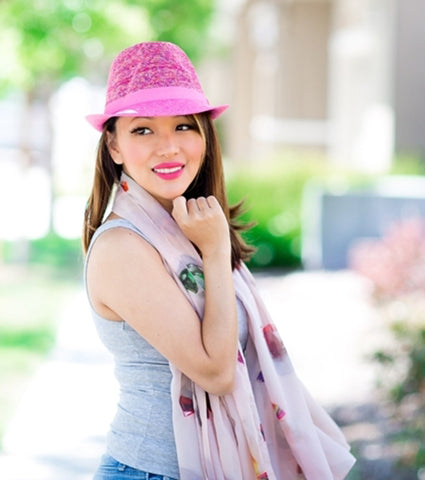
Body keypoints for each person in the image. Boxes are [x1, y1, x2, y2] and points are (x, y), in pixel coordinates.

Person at [82, 41, 355, 480]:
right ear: (113, 146)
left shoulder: (185, 227)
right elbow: (215, 371)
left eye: (184, 126)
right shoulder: (123, 247)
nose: (168, 147)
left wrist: (211, 244)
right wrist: (214, 250)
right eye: (143, 130)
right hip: (151, 471)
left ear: (206, 137)